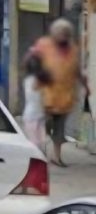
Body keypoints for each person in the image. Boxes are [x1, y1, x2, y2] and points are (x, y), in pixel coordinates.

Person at [30, 18, 89, 167]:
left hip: (64, 96)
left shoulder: (73, 49)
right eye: (61, 33)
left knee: (59, 128)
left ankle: (56, 156)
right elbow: (31, 62)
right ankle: (39, 151)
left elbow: (76, 70)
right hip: (45, 94)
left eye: (66, 34)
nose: (63, 36)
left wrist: (85, 85)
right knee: (43, 124)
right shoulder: (44, 45)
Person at [22, 51, 51, 156]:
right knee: (40, 142)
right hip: (40, 114)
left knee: (34, 142)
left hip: (30, 114)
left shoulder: (27, 81)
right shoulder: (43, 81)